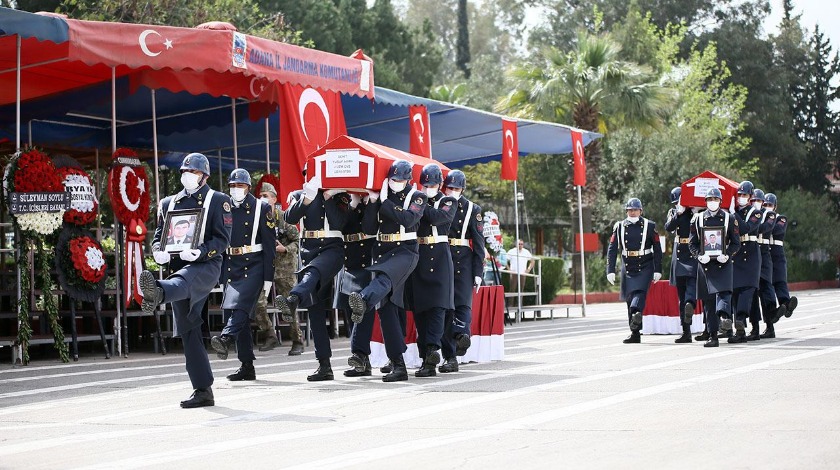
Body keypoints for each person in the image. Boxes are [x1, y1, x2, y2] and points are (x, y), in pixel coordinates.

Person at [139, 152, 232, 408]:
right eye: (185, 172)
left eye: (193, 172)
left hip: (205, 264)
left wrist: (201, 251)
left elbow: (222, 239)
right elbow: (160, 234)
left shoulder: (218, 200)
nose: (188, 176)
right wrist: (157, 250)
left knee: (183, 283)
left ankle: (156, 292)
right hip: (178, 266)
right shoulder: (169, 202)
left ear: (204, 176)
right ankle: (203, 390)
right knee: (189, 330)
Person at [348, 160, 426, 382]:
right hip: (382, 251)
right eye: (393, 180)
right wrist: (372, 202)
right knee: (387, 309)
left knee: (383, 279)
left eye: (400, 180)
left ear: (408, 180)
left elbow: (408, 219)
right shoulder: (382, 194)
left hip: (405, 251)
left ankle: (363, 300)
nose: (396, 184)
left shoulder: (418, 196)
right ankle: (398, 365)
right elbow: (369, 229)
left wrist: (384, 201)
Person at [276, 173, 350, 381]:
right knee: (315, 310)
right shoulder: (301, 194)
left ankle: (293, 298)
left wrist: (327, 198)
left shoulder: (338, 195)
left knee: (313, 272)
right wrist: (307, 198)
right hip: (308, 249)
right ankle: (324, 365)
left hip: (332, 248)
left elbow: (339, 222)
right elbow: (289, 219)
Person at [210, 169, 275, 380]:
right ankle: (247, 366)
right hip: (231, 264)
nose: (236, 189)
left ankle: (226, 339)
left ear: (248, 187)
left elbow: (269, 245)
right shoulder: (224, 207)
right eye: (233, 186)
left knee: (240, 307)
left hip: (253, 264)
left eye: (240, 186)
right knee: (235, 314)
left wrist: (268, 277)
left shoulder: (261, 208)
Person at [409, 164, 456, 378]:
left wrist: (421, 202)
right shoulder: (417, 199)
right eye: (425, 184)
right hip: (419, 256)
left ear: (439, 185)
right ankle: (424, 356)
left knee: (437, 308)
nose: (428, 187)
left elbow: (438, 218)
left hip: (439, 257)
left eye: (432, 184)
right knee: (420, 310)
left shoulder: (448, 201)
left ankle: (432, 353)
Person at [441, 169, 485, 373]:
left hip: (464, 261)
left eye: (456, 188)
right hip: (442, 257)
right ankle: (451, 355)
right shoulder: (439, 204)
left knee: (463, 304)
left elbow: (479, 243)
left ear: (463, 189)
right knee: (446, 310)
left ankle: (461, 335)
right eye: (449, 188)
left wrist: (478, 272)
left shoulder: (472, 209)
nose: (452, 192)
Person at [253, 182, 303, 355]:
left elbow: (297, 241)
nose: (262, 198)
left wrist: (285, 249)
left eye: (266, 196)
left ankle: (297, 340)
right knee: (257, 302)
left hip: (284, 267)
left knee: (288, 304)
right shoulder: (256, 219)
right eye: (260, 196)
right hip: (264, 266)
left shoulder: (284, 217)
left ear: (274, 199)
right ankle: (270, 334)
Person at [688, 187, 741, 347]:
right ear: (705, 202)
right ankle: (712, 336)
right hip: (705, 265)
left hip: (722, 262)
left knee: (724, 293)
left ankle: (724, 318)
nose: (713, 202)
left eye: (715, 199)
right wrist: (699, 256)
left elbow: (736, 242)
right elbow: (692, 243)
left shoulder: (729, 218)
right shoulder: (697, 219)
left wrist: (728, 254)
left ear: (720, 201)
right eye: (710, 199)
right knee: (708, 302)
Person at [606, 197, 663, 344]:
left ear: (641, 211)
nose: (632, 212)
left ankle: (636, 313)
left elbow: (657, 249)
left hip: (645, 264)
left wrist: (658, 269)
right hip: (628, 264)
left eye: (635, 210)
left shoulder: (650, 226)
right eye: (630, 210)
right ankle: (635, 332)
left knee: (639, 293)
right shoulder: (619, 226)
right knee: (629, 298)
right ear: (626, 211)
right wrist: (610, 269)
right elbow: (612, 249)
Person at [340, 192, 378, 378]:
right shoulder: (346, 200)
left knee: (362, 311)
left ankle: (360, 355)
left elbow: (370, 226)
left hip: (368, 259)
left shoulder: (377, 199)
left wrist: (370, 201)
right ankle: (363, 361)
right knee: (350, 311)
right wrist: (353, 204)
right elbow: (341, 225)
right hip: (350, 259)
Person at [728, 181, 763, 343]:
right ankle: (750, 329)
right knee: (737, 291)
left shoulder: (755, 213)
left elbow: (745, 229)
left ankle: (741, 320)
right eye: (739, 195)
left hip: (750, 254)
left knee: (748, 289)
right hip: (736, 253)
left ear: (750, 197)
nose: (741, 198)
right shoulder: (732, 211)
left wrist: (732, 215)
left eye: (745, 195)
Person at [663, 186, 697, 343]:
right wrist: (678, 212)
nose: (678, 204)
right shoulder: (674, 213)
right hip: (679, 254)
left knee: (692, 285)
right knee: (681, 295)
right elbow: (668, 227)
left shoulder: (695, 212)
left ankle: (691, 303)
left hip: (692, 251)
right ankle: (686, 331)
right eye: (676, 202)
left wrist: (694, 212)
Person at [750, 188, 784, 338]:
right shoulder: (749, 215)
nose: (757, 203)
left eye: (759, 201)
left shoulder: (766, 215)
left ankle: (770, 321)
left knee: (765, 288)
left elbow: (767, 228)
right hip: (752, 253)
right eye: (754, 200)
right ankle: (756, 327)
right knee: (752, 293)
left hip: (763, 252)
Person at [764, 193, 798, 327]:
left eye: (770, 205)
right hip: (766, 254)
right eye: (765, 205)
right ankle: (779, 310)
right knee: (768, 285)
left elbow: (777, 229)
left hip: (777, 255)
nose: (767, 207)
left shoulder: (781, 218)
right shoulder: (761, 218)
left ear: (775, 206)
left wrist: (766, 222)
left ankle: (787, 304)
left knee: (780, 281)